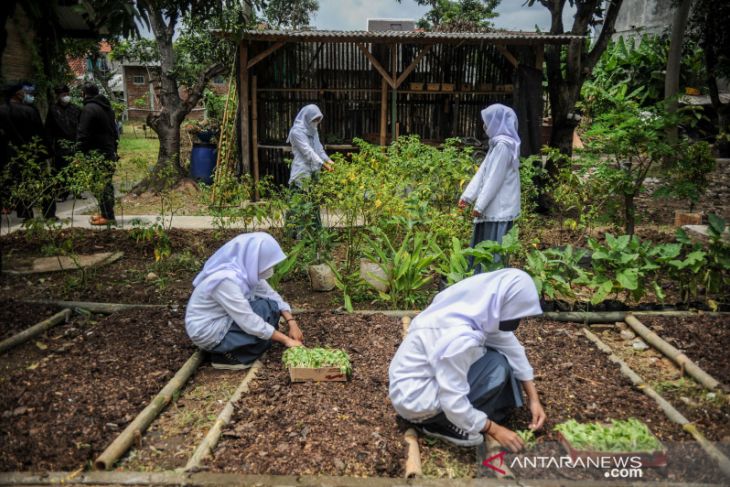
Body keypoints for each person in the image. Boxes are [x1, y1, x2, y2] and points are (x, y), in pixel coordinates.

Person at [389, 268, 546, 451]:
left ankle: (463, 417)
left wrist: (533, 399)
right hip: (417, 401)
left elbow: (510, 347)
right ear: (503, 304)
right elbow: (452, 400)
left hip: (419, 384)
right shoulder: (458, 336)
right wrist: (495, 430)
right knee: (496, 368)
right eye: (516, 313)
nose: (518, 319)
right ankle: (440, 424)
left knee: (498, 361)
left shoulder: (475, 307)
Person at [185, 232, 304, 370]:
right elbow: (247, 320)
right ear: (255, 258)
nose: (270, 268)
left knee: (270, 306)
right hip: (209, 332)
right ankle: (227, 357)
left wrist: (292, 323)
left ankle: (238, 347)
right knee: (262, 317)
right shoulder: (226, 280)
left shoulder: (245, 272)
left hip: (224, 320)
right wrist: (286, 340)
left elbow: (271, 296)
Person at [458, 104, 521, 273]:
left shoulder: (503, 146)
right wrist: (467, 197)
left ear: (497, 123)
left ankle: (490, 284)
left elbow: (494, 178)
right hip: (491, 208)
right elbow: (483, 173)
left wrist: (479, 206)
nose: (485, 127)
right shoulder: (497, 145)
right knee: (483, 251)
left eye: (487, 122)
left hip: (498, 209)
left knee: (493, 252)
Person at [0, 82, 53, 220]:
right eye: (24, 92)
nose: (26, 94)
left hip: (12, 155)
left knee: (20, 183)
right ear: (18, 94)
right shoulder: (29, 110)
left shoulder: (2, 111)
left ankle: (26, 214)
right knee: (44, 183)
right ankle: (49, 213)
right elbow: (40, 133)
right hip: (33, 154)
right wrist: (47, 152)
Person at [285, 104, 334, 237]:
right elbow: (308, 152)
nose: (316, 123)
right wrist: (324, 165)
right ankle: (294, 235)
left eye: (318, 120)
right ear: (307, 117)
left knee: (313, 203)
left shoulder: (313, 131)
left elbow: (318, 149)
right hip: (301, 172)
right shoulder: (296, 132)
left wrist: (330, 161)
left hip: (313, 171)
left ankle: (314, 233)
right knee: (298, 204)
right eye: (314, 120)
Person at [78, 82, 118, 225]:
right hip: (108, 151)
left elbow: (83, 133)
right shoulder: (107, 108)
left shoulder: (89, 109)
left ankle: (108, 216)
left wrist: (78, 152)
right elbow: (115, 132)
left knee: (101, 184)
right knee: (105, 183)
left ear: (84, 93)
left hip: (97, 153)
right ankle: (105, 213)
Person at [46, 85, 81, 201]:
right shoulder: (53, 110)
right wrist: (50, 147)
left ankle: (77, 191)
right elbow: (49, 129)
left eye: (67, 94)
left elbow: (81, 126)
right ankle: (62, 193)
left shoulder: (75, 109)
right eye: (63, 95)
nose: (65, 97)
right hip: (60, 145)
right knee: (61, 169)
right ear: (58, 96)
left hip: (75, 143)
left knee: (76, 168)